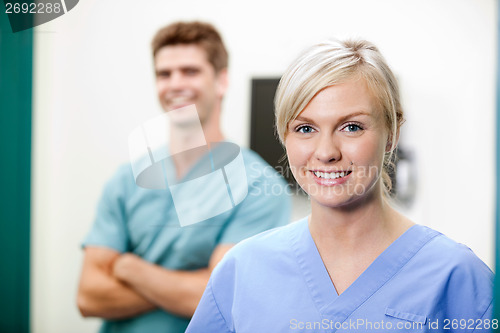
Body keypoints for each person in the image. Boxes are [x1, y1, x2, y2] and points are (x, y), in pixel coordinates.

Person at [186, 39, 494, 332]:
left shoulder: (456, 277)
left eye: (352, 127)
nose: (326, 152)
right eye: (305, 128)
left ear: (393, 133)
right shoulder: (243, 270)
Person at [76, 21, 291, 333]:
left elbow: (225, 296)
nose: (175, 84)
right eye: (164, 74)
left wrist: (131, 268)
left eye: (190, 71)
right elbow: (89, 296)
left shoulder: (258, 186)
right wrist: (188, 286)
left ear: (221, 80)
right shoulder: (127, 180)